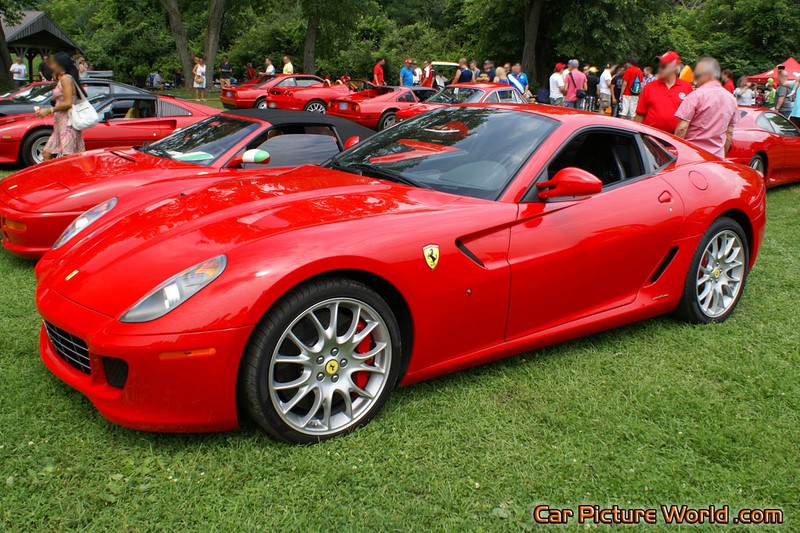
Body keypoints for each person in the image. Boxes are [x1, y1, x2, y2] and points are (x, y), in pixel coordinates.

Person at [674, 57, 739, 158]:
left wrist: (677, 152)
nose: (695, 79)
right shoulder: (731, 99)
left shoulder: (696, 95)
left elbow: (682, 128)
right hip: (716, 157)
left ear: (708, 75)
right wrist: (722, 156)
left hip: (692, 155)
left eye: (698, 75)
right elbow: (729, 132)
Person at [34, 52, 85, 161]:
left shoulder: (66, 79)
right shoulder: (62, 78)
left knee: (69, 158)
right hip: (59, 125)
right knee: (46, 152)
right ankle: (52, 177)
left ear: (60, 65)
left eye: (53, 63)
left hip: (68, 125)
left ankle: (68, 178)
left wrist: (49, 110)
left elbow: (68, 103)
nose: (51, 66)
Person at [634, 50, 693, 133]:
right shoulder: (649, 87)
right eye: (660, 65)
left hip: (675, 139)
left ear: (674, 67)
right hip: (650, 137)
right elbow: (640, 115)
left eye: (664, 66)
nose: (660, 68)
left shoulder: (687, 87)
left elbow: (690, 118)